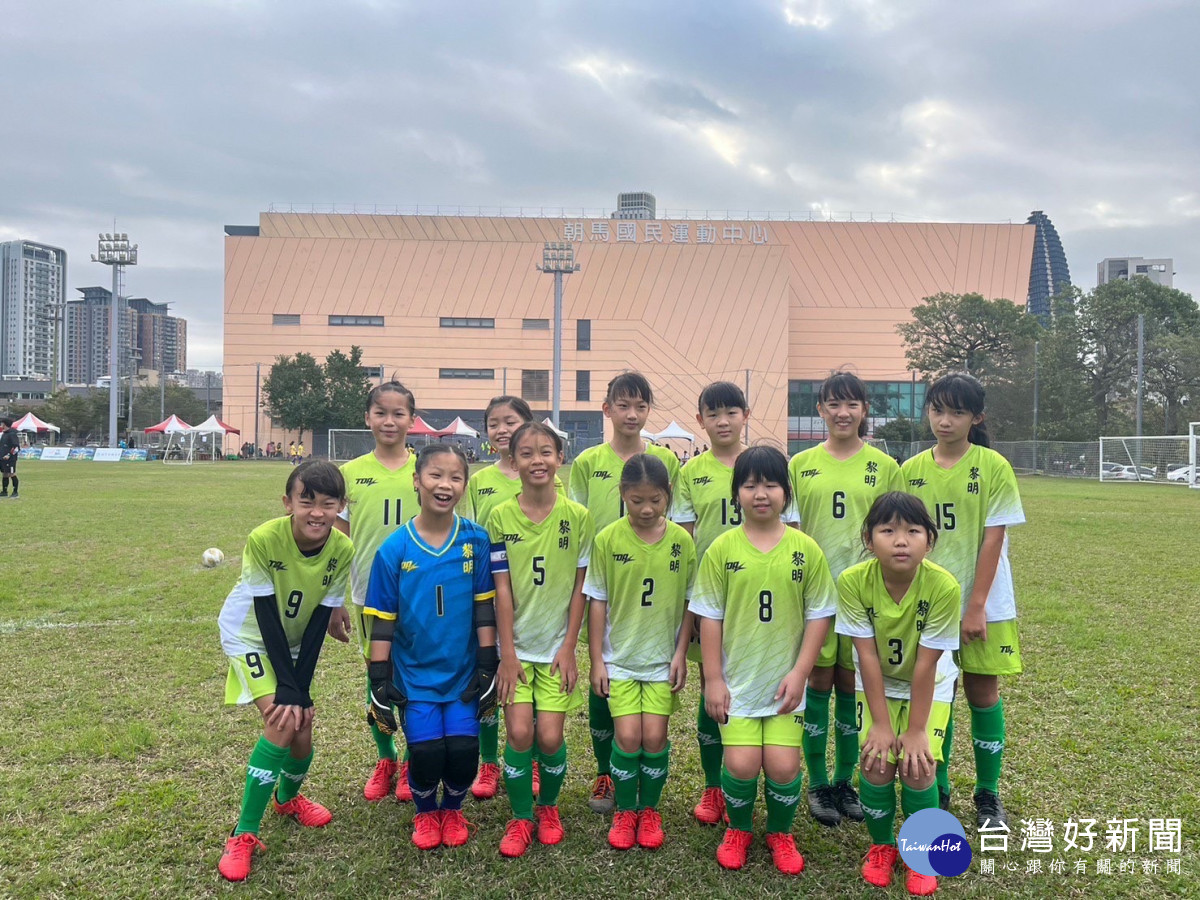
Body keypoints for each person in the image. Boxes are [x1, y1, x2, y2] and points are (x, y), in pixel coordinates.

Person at [691, 446, 837, 875]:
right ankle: (738, 829)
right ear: (736, 493)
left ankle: (779, 832)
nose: (761, 493)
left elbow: (819, 615)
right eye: (750, 484)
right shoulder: (722, 549)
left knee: (783, 765)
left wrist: (801, 672)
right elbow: (710, 618)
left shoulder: (805, 549)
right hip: (738, 682)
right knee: (739, 764)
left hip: (784, 684)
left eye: (771, 484)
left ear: (786, 493)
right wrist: (713, 679)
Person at [215, 460, 355, 882]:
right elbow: (266, 615)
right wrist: (289, 691)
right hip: (251, 636)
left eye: (328, 503)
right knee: (282, 719)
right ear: (288, 502)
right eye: (306, 501)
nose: (317, 512)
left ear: (341, 507)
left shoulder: (342, 550)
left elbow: (319, 624)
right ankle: (243, 833)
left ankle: (287, 799)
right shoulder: (263, 539)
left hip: (295, 640)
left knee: (303, 726)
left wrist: (302, 687)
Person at [901, 373, 1025, 830]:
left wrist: (975, 606)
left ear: (977, 417)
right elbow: (901, 537)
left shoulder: (993, 466)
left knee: (981, 692)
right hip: (926, 602)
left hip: (983, 602)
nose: (945, 420)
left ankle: (989, 794)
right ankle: (942, 783)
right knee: (938, 693)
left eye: (957, 412)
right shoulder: (909, 469)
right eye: (937, 409)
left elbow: (994, 539)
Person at [784, 372, 905, 828]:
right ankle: (817, 784)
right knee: (817, 685)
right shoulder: (800, 464)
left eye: (851, 404)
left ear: (864, 410)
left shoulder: (884, 465)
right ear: (820, 409)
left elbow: (894, 531)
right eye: (833, 404)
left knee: (853, 689)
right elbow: (792, 533)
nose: (842, 412)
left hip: (864, 596)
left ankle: (844, 780)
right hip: (814, 597)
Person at [363, 444, 498, 851]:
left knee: (461, 751)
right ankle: (425, 814)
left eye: (456, 477)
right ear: (417, 481)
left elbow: (484, 612)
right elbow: (383, 623)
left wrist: (488, 666)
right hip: (415, 677)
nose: (445, 485)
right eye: (436, 475)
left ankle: (452, 809)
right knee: (425, 753)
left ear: (465, 485)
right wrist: (379, 680)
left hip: (462, 675)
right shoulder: (394, 549)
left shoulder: (476, 540)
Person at [568, 372, 680, 813]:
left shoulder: (667, 463)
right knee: (603, 682)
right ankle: (605, 774)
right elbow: (577, 523)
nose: (632, 414)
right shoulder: (587, 462)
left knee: (644, 697)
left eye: (640, 406)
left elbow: (677, 524)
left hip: (649, 591)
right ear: (607, 408)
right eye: (623, 405)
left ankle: (640, 791)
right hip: (602, 584)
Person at [837, 492, 960, 896]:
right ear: (869, 540)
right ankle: (881, 846)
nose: (901, 540)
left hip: (929, 686)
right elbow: (867, 655)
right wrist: (882, 724)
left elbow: (926, 664)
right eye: (887, 530)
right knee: (875, 764)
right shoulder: (854, 582)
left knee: (918, 766)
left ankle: (921, 854)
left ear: (930, 539)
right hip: (875, 684)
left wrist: (917, 729)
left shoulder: (943, 586)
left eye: (912, 530)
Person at [491, 422, 594, 857]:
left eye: (547, 452)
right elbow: (501, 589)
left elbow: (579, 589)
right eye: (528, 453)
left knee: (549, 738)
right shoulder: (498, 516)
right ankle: (520, 818)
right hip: (515, 650)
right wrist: (507, 654)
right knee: (518, 733)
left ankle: (548, 806)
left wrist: (569, 647)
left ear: (560, 458)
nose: (538, 460)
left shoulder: (578, 518)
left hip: (555, 650)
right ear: (513, 462)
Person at [586, 454, 696, 851]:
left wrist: (681, 653)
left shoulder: (682, 542)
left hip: (661, 662)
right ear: (622, 495)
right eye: (636, 501)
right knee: (628, 737)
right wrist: (598, 659)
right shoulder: (608, 540)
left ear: (668, 495)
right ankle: (625, 810)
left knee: (654, 737)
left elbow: (688, 603)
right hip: (620, 660)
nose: (646, 509)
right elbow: (597, 601)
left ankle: (649, 810)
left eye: (655, 500)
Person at [462, 395, 565, 801]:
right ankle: (489, 764)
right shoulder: (481, 481)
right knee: (490, 679)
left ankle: (536, 761)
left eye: (510, 421)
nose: (501, 429)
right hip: (491, 592)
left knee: (536, 699)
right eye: (493, 423)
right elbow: (472, 533)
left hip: (537, 604)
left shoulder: (549, 480)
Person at [328, 381, 420, 804]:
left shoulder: (425, 469)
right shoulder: (350, 474)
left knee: (418, 677)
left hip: (421, 595)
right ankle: (387, 758)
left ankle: (416, 763)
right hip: (371, 596)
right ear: (367, 418)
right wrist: (333, 600)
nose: (389, 421)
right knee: (377, 677)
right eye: (381, 412)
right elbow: (339, 541)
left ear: (411, 420)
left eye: (398, 413)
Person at [669, 381, 750, 826]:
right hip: (712, 598)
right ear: (700, 420)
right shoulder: (691, 472)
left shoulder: (764, 465)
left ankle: (750, 779)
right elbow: (683, 540)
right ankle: (713, 786)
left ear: (745, 415)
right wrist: (695, 606)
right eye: (713, 414)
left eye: (731, 412)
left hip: (758, 595)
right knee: (711, 684)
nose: (722, 421)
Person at [0, 418, 20, 498]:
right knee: (5, 474)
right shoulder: (4, 434)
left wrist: (9, 455)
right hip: (2, 458)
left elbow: (16, 447)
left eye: (2, 423)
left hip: (10, 459)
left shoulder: (12, 434)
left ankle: (15, 492)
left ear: (4, 424)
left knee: (12, 474)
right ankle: (4, 491)